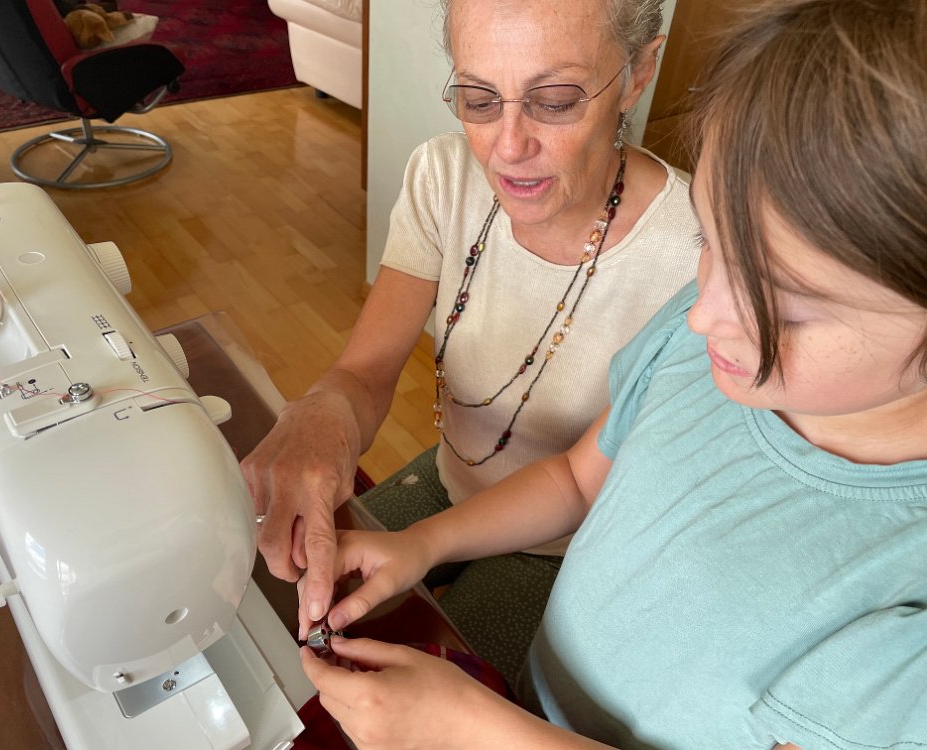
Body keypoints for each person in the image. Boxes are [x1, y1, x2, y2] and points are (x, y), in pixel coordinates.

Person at [298, 0, 927, 747]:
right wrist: (423, 545)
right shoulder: (700, 335)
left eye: (785, 308)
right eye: (710, 243)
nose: (703, 316)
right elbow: (576, 479)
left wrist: (468, 724)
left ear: (637, 73)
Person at [241, 0, 701, 681]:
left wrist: (425, 545)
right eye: (479, 100)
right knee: (277, 608)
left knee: (431, 681)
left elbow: (584, 484)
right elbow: (366, 370)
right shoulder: (445, 177)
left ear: (638, 73)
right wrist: (323, 413)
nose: (507, 147)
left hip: (568, 549)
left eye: (554, 101)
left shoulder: (696, 257)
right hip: (452, 475)